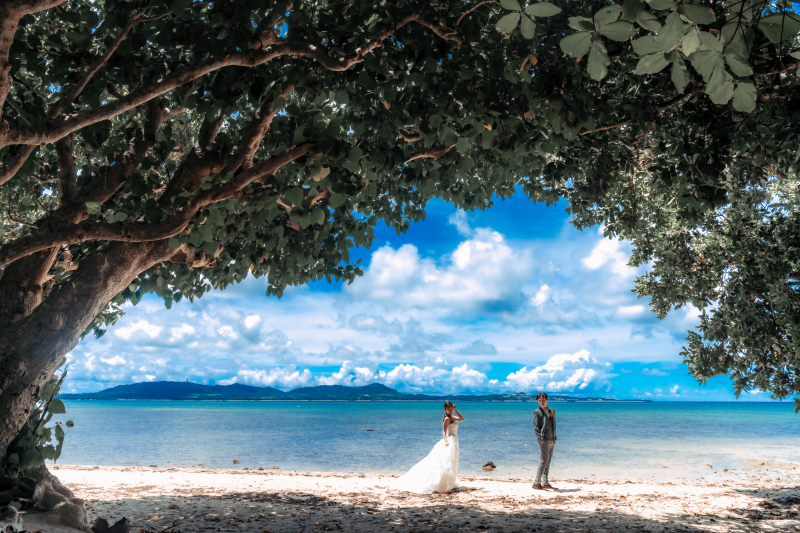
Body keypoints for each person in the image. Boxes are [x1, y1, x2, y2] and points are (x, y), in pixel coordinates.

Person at [394, 401, 465, 494]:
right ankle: (443, 483)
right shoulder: (447, 419)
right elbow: (444, 431)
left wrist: (456, 410)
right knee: (447, 462)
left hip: (454, 441)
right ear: (445, 410)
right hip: (449, 441)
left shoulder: (452, 417)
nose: (450, 410)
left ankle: (449, 483)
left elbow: (462, 419)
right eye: (449, 408)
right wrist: (446, 441)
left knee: (452, 461)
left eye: (451, 408)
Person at [532, 392, 557, 490]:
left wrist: (554, 438)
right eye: (539, 400)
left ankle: (545, 482)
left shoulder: (552, 411)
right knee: (544, 460)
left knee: (548, 461)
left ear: (547, 400)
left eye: (543, 400)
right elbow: (536, 428)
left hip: (552, 439)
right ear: (538, 401)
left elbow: (554, 425)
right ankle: (536, 482)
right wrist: (540, 439)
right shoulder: (536, 412)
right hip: (543, 440)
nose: (541, 402)